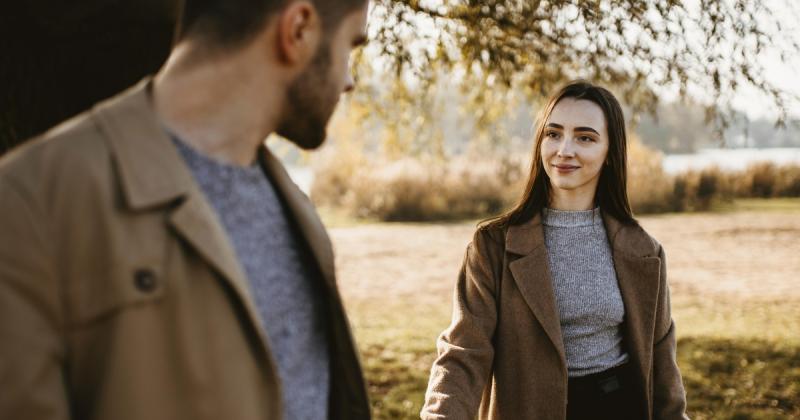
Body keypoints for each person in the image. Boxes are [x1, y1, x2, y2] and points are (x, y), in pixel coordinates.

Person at [0, 1, 371, 419]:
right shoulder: (28, 204)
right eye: (351, 46)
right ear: (298, 29)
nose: (349, 80)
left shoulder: (297, 211)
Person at [421, 81, 689, 420]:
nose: (565, 149)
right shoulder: (492, 246)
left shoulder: (644, 251)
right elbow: (464, 351)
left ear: (610, 153)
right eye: (553, 133)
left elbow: (663, 364)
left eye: (585, 137)